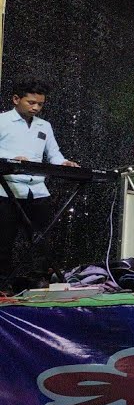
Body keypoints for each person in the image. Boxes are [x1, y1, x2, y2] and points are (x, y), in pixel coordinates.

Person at [0, 81, 80, 292]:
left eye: (40, 104)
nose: (36, 108)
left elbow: (53, 154)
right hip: (6, 189)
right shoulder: (2, 121)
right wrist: (11, 159)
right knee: (3, 239)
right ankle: (3, 283)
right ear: (16, 99)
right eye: (31, 102)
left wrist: (63, 163)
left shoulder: (44, 126)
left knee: (41, 240)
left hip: (37, 190)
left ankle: (39, 282)